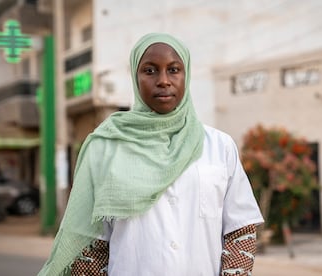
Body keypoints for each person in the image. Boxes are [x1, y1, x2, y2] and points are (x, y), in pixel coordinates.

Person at [38, 33, 264, 276]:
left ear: (186, 75)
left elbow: (240, 229)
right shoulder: (106, 147)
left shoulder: (220, 146)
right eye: (150, 70)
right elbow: (91, 244)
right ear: (135, 78)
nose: (164, 80)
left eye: (174, 69)